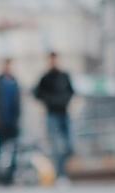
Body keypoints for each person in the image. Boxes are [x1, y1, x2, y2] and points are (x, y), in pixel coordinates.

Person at [34, 52, 75, 184]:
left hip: (65, 113)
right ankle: (61, 175)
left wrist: (65, 101)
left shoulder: (64, 76)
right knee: (56, 146)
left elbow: (72, 91)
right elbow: (37, 93)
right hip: (52, 115)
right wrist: (49, 101)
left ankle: (62, 171)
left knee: (70, 145)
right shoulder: (45, 78)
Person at [0, 58, 21, 185]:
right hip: (1, 122)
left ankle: (10, 176)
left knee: (13, 150)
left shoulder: (15, 83)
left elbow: (18, 104)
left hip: (12, 122)